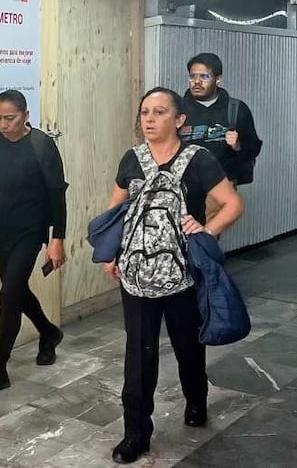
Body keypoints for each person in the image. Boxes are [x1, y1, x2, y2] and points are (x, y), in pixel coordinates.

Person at [103, 87, 243, 464]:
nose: (149, 119)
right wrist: (109, 252)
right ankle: (136, 433)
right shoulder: (131, 160)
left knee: (187, 345)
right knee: (139, 353)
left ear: (179, 120)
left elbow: (232, 204)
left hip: (184, 274)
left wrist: (206, 230)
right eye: (145, 112)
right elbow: (115, 211)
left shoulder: (199, 160)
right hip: (136, 275)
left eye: (159, 112)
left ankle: (196, 401)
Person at [0, 89, 68, 397]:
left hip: (30, 230)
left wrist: (57, 239)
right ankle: (49, 332)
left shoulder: (42, 146)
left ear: (25, 116)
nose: (2, 125)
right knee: (17, 291)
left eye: (9, 118)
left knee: (8, 295)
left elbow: (57, 196)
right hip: (0, 228)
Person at [180, 52, 262, 222]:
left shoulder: (236, 109)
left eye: (204, 76)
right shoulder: (178, 109)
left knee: (208, 233)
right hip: (183, 184)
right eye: (192, 76)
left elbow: (254, 146)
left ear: (218, 80)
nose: (196, 81)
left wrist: (238, 146)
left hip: (218, 184)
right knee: (180, 233)